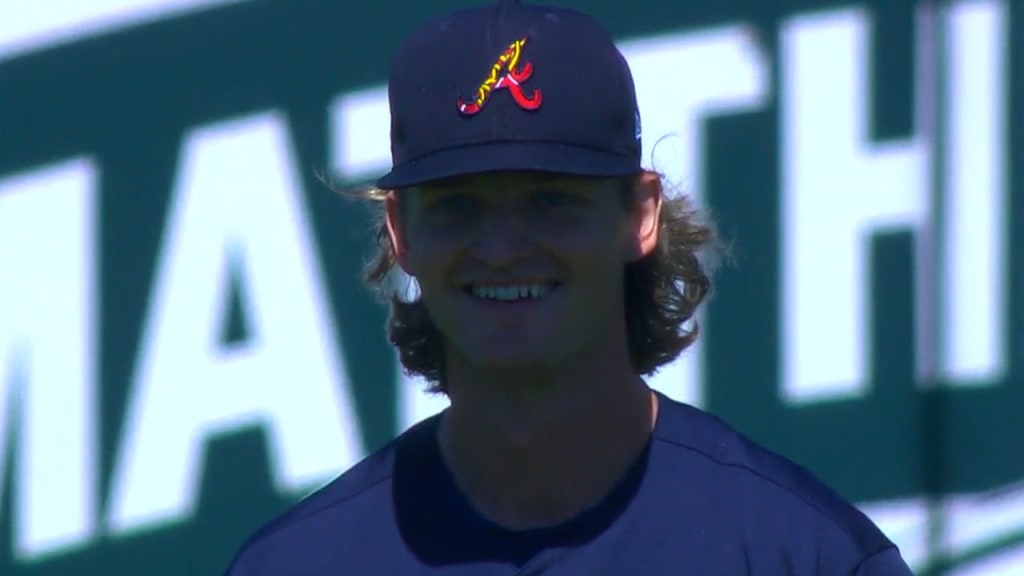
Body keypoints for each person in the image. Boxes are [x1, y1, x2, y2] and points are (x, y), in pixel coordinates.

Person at [224, 0, 916, 573]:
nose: (501, 249)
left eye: (550, 200)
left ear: (639, 215)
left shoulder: (801, 556)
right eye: (459, 206)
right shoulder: (298, 565)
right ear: (402, 231)